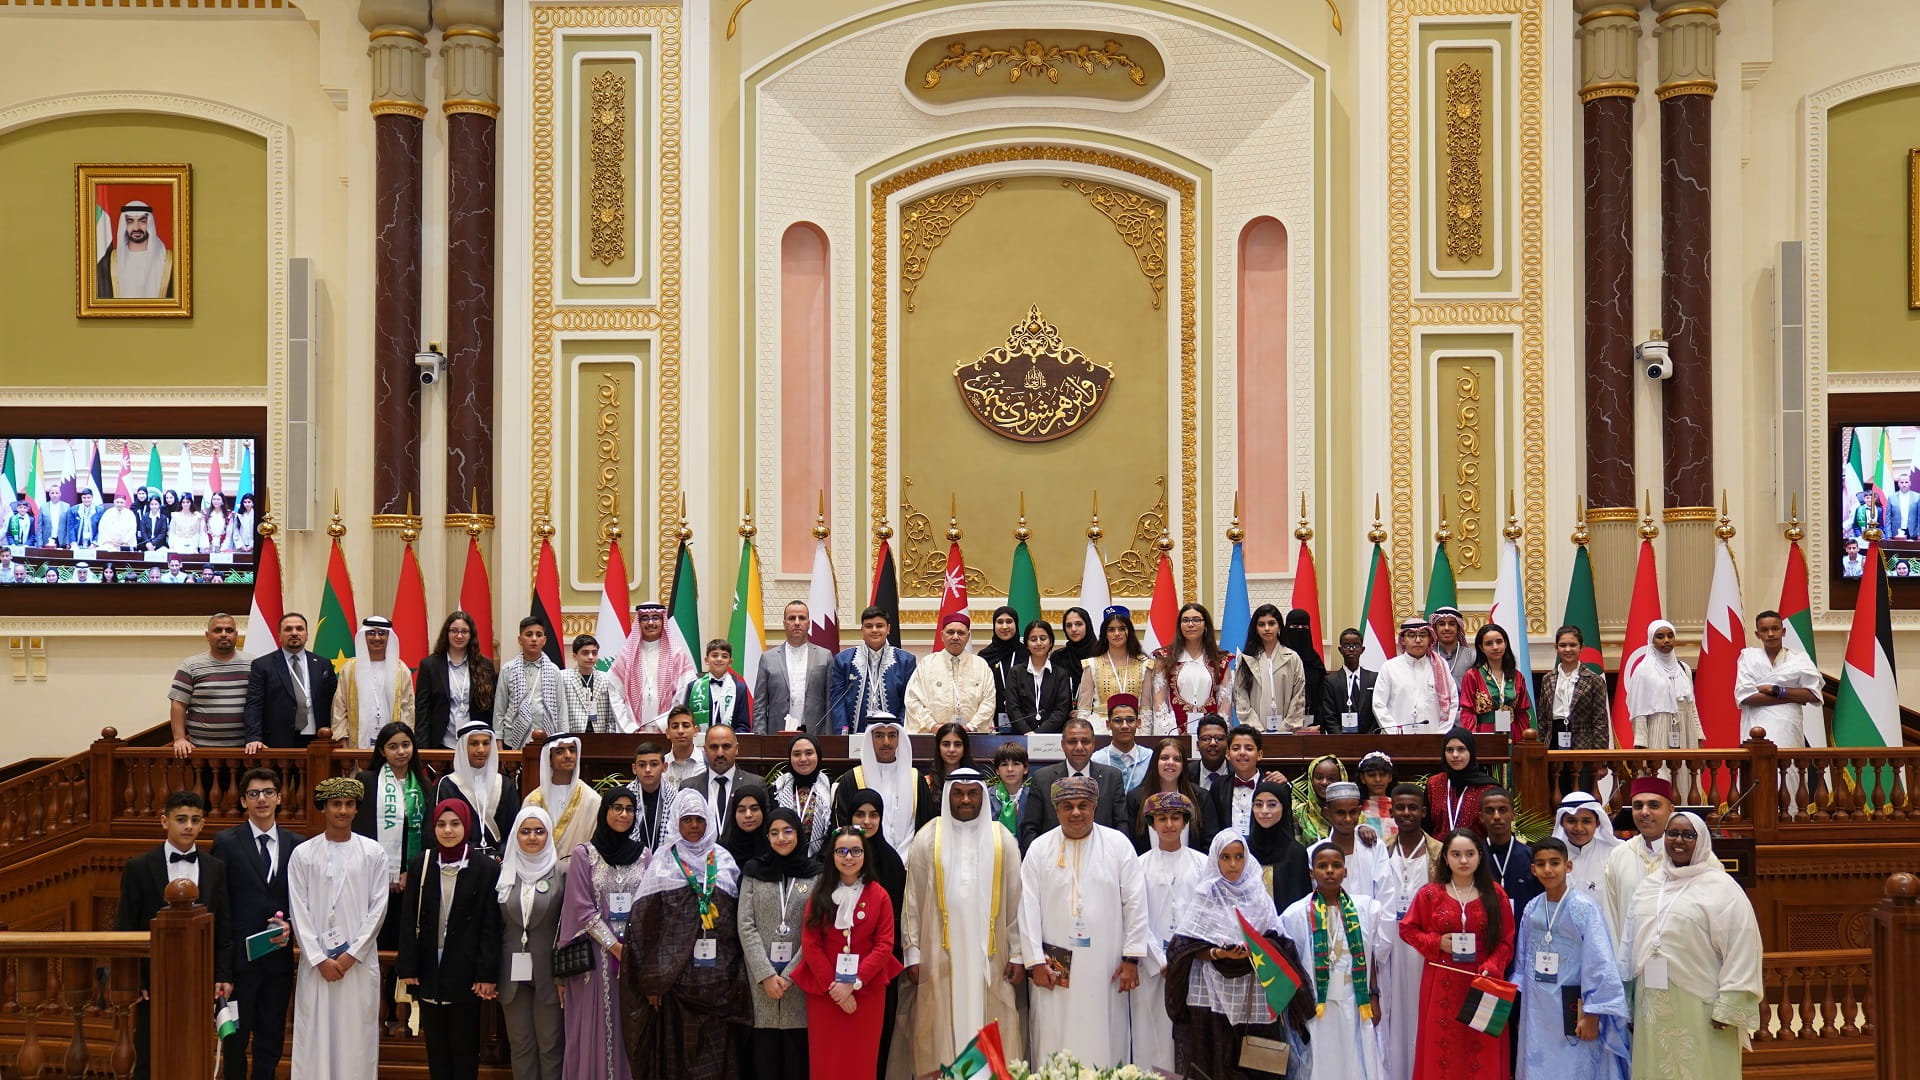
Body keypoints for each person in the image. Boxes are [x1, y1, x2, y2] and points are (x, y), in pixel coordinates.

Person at [1017, 775, 1150, 1067]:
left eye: (1083, 806)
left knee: (1105, 1036)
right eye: (1067, 806)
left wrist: (1131, 959)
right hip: (1054, 969)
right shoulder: (1039, 849)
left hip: (1107, 965)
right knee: (1053, 1034)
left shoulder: (1118, 845)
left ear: (1094, 807)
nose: (1076, 812)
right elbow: (1026, 908)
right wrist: (1035, 963)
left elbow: (1136, 904)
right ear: (1056, 810)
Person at [902, 766, 1026, 1075]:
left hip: (991, 956)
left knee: (992, 1018)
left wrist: (1019, 953)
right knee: (940, 1027)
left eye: (972, 794)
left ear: (983, 796)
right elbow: (912, 900)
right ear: (948, 796)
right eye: (958, 794)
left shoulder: (1002, 839)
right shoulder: (928, 836)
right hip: (941, 953)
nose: (966, 800)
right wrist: (912, 952)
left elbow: (1016, 901)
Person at [1623, 812, 1763, 1079]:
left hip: (1701, 1005)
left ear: (1702, 842)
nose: (1679, 840)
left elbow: (1743, 946)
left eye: (1689, 835)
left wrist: (1731, 1004)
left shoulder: (1722, 887)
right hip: (1650, 1001)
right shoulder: (1649, 886)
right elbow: (1630, 941)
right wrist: (1627, 997)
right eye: (1673, 833)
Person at [626, 789, 750, 1080]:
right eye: (687, 820)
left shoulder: (725, 861)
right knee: (676, 1060)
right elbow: (646, 929)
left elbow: (737, 923)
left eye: (699, 819)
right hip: (676, 984)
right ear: (675, 823)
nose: (694, 825)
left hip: (719, 983)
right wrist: (653, 981)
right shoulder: (662, 863)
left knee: (720, 1062)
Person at [1165, 830, 1308, 1080]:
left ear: (1247, 858)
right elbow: (1182, 946)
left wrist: (1257, 949)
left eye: (1239, 857)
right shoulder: (1205, 896)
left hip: (1253, 996)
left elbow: (1280, 942)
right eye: (1226, 857)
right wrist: (1216, 953)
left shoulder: (1259, 897)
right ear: (1215, 860)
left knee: (1257, 1068)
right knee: (1210, 1063)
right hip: (1209, 995)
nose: (1233, 864)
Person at [118, 790, 232, 1080]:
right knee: (150, 1053)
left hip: (201, 976)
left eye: (195, 820)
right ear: (164, 821)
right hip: (154, 981)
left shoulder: (215, 868)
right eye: (181, 819)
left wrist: (223, 975)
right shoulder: (139, 867)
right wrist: (139, 980)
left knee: (194, 1052)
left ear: (203, 824)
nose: (188, 826)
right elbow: (126, 927)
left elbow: (224, 927)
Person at [287, 777, 390, 1080]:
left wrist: (350, 956)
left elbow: (378, 909)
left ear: (357, 809)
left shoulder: (373, 853)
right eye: (336, 804)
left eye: (348, 805)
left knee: (356, 1039)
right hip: (317, 965)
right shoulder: (303, 854)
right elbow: (298, 909)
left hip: (356, 965)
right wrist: (319, 958)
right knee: (315, 1039)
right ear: (324, 808)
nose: (342, 811)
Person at [396, 799, 501, 1080]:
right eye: (442, 824)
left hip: (466, 970)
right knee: (436, 1050)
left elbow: (491, 926)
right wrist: (408, 967)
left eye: (455, 823)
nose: (448, 830)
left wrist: (486, 972)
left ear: (466, 826)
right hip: (429, 967)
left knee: (464, 1049)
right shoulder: (422, 863)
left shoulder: (485, 868)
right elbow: (408, 918)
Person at [1399, 830, 1516, 1080]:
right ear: (1445, 858)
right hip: (1441, 983)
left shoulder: (1495, 894)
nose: (1463, 860)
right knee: (1441, 1049)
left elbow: (1507, 940)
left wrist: (1492, 966)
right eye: (1456, 854)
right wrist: (1436, 942)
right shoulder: (1430, 894)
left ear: (1479, 857)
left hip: (1483, 983)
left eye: (1470, 854)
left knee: (1482, 1050)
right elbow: (1407, 929)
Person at [793, 827, 905, 1079]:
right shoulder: (820, 894)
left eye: (855, 850)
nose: (848, 857)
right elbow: (811, 944)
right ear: (832, 855)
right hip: (825, 994)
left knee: (861, 1060)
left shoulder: (880, 896)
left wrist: (852, 983)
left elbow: (885, 944)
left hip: (866, 992)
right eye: (841, 851)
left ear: (865, 854)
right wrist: (834, 987)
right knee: (826, 1060)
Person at [1514, 838, 1630, 1080]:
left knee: (1575, 1067)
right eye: (1541, 864)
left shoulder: (1585, 908)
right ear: (1533, 869)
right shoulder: (1532, 908)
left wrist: (1592, 1014)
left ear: (1568, 866)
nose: (1548, 870)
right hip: (1538, 1009)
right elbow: (1522, 963)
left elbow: (1600, 963)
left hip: (1573, 1006)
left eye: (1554, 863)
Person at [212, 769, 300, 1080]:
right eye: (253, 794)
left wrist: (291, 924)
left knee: (271, 1037)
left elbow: (302, 900)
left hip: (277, 960)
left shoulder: (296, 844)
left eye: (267, 792)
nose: (261, 799)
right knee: (235, 1039)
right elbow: (218, 906)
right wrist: (221, 969)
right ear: (242, 801)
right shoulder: (226, 842)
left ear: (279, 797)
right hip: (238, 963)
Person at [1280, 841, 1391, 1080]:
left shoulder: (1366, 908)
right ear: (1312, 872)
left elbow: (1370, 954)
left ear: (1345, 871)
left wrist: (1373, 995)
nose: (1329, 870)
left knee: (1355, 1056)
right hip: (1316, 1001)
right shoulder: (1295, 914)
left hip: (1355, 997)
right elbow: (1291, 963)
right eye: (1322, 866)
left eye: (1336, 865)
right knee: (1321, 1057)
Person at [559, 793, 647, 1080]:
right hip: (595, 963)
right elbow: (581, 908)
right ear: (604, 812)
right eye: (617, 808)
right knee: (594, 1031)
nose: (624, 814)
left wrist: (630, 948)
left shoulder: (645, 855)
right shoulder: (584, 854)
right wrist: (614, 947)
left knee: (631, 1030)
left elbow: (650, 905)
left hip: (635, 960)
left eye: (629, 809)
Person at [738, 809, 819, 1080]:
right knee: (764, 1065)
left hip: (799, 984)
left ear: (798, 833)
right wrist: (766, 974)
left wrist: (789, 975)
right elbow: (746, 926)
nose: (781, 838)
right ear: (766, 836)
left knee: (798, 1065)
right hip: (762, 986)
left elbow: (816, 929)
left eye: (787, 831)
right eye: (774, 833)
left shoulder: (815, 874)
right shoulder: (753, 871)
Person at [1132, 791, 1210, 1073]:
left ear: (1185, 821)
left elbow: (1206, 913)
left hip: (1193, 964)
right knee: (1151, 1035)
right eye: (1162, 818)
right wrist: (1162, 960)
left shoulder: (1202, 864)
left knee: (1192, 1035)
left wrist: (1184, 957)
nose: (1169, 824)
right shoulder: (1138, 865)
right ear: (1152, 824)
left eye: (1175, 817)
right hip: (1153, 966)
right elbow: (1135, 916)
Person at [496, 807, 566, 1080]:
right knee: (520, 1046)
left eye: (539, 831)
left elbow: (569, 926)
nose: (533, 837)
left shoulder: (562, 873)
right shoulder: (502, 872)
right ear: (516, 835)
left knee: (550, 1046)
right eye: (526, 831)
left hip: (550, 973)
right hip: (511, 972)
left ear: (549, 835)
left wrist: (563, 975)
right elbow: (493, 926)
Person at [1020, 717, 1128, 849]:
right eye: (1072, 742)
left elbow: (1122, 826)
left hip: (1101, 860)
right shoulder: (1042, 778)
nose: (1079, 747)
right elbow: (1030, 829)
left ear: (1093, 744)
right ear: (1062, 744)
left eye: (1085, 742)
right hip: (1056, 860)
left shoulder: (1112, 777)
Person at [1600, 777, 1674, 949]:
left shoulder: (1689, 854)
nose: (1645, 812)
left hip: (1679, 964)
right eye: (1638, 806)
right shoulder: (1619, 855)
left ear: (1671, 810)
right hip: (1631, 963)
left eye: (1654, 805)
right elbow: (1611, 916)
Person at [831, 720, 924, 857]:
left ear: (899, 739)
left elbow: (923, 825)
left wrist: (904, 856)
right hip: (864, 861)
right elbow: (843, 825)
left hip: (910, 860)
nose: (886, 742)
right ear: (870, 739)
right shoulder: (853, 778)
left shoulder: (916, 779)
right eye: (879, 736)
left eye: (892, 736)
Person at [1736, 609, 1823, 748]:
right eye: (1764, 630)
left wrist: (1775, 690)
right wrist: (1793, 696)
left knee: (1789, 767)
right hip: (1756, 727)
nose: (1770, 634)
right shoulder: (1748, 657)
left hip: (1789, 726)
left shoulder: (1799, 658)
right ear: (1757, 634)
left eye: (1775, 629)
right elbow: (1745, 697)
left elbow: (1813, 695)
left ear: (1783, 631)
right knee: (1758, 767)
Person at [1538, 626, 1609, 794]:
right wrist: (1540, 751)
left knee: (1581, 793)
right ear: (1556, 648)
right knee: (1554, 793)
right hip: (1553, 742)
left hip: (1583, 746)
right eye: (1563, 645)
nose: (1568, 649)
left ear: (1581, 647)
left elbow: (1600, 722)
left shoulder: (1594, 680)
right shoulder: (1547, 679)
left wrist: (1601, 760)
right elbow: (1542, 721)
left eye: (1573, 645)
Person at [167, 613, 250, 755]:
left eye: (229, 630)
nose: (224, 634)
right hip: (202, 750)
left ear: (236, 635)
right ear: (207, 635)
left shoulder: (254, 663)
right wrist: (179, 739)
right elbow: (178, 704)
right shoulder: (191, 665)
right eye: (218, 630)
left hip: (246, 749)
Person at [435, 720, 521, 857]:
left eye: (486, 743)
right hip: (461, 862)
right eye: (474, 744)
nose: (481, 750)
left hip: (499, 863)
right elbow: (438, 831)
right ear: (464, 747)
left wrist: (501, 856)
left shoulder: (505, 785)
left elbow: (515, 829)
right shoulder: (447, 785)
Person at [608, 601, 699, 732]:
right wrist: (630, 728)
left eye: (655, 617)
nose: (650, 623)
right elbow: (614, 692)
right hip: (632, 731)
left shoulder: (676, 655)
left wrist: (664, 726)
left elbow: (683, 693)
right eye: (645, 618)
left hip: (667, 731)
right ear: (638, 623)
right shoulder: (626, 655)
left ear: (663, 621)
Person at [1148, 602, 1235, 736]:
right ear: (1179, 625)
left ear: (1205, 625)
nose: (1190, 624)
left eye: (1196, 620)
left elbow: (1225, 704)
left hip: (1210, 736)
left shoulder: (1220, 659)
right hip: (1175, 733)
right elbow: (1159, 703)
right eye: (1186, 620)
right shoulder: (1165, 657)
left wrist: (1217, 733)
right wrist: (1171, 734)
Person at [829, 606, 918, 734]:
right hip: (854, 734)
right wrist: (842, 732)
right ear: (862, 630)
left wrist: (900, 730)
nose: (874, 630)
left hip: (893, 734)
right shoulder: (843, 660)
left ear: (888, 629)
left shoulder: (905, 661)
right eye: (869, 626)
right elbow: (837, 701)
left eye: (879, 626)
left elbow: (909, 702)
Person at [904, 611, 997, 733]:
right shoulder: (927, 664)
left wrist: (970, 726)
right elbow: (912, 699)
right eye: (950, 632)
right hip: (933, 736)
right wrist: (932, 726)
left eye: (961, 633)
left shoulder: (981, 666)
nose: (955, 637)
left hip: (973, 737)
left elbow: (989, 701)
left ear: (968, 637)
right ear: (942, 635)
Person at [332, 616, 415, 748]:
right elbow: (340, 706)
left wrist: (405, 739)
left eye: (382, 633)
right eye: (371, 633)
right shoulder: (350, 668)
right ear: (364, 637)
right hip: (357, 741)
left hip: (393, 741)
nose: (377, 638)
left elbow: (407, 708)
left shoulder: (400, 669)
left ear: (389, 637)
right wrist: (342, 737)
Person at [417, 610, 496, 749]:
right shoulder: (429, 666)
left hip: (476, 744)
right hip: (441, 743)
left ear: (471, 635)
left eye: (464, 631)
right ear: (446, 633)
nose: (459, 635)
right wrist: (422, 749)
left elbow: (491, 710)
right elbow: (422, 710)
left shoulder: (485, 666)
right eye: (454, 631)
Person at [753, 600, 834, 734]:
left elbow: (830, 703)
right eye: (791, 618)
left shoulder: (825, 656)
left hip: (815, 734)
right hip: (777, 733)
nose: (797, 622)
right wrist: (759, 736)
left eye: (802, 618)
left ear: (808, 623)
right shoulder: (768, 658)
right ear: (784, 623)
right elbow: (760, 704)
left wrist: (829, 736)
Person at [1125, 736, 1213, 852]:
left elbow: (1209, 841)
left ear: (1183, 765)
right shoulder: (1135, 798)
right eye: (1164, 758)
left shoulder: (1201, 797)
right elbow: (1130, 842)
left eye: (1177, 759)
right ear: (1155, 762)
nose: (1170, 763)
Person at [526, 735, 602, 868]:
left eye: (572, 750)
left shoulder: (591, 800)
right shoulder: (533, 801)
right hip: (539, 872)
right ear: (549, 759)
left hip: (578, 871)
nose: (568, 755)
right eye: (560, 752)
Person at [1077, 604, 1154, 733]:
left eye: (1122, 628)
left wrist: (1144, 737)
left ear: (1129, 631)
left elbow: (1146, 708)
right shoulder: (1092, 665)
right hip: (1100, 728)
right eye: (1111, 629)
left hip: (1134, 728)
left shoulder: (1144, 664)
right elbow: (1084, 709)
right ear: (1105, 634)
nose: (1117, 633)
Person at [1374, 618, 1458, 734]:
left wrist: (1441, 733)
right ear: (1402, 640)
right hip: (1397, 739)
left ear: (1430, 640)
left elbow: (1452, 702)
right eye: (1412, 635)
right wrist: (1394, 732)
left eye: (1423, 635)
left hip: (1433, 737)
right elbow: (1378, 704)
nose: (1418, 640)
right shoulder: (1390, 667)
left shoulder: (1440, 666)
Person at [1625, 620, 1700, 750]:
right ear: (1651, 640)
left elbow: (1692, 707)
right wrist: (1642, 747)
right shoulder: (1643, 670)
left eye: (1670, 636)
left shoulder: (1684, 669)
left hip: (1687, 732)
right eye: (1660, 637)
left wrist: (1699, 738)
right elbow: (1639, 713)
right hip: (1658, 731)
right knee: (1660, 770)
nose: (1666, 640)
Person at [1203, 724, 1289, 838]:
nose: (1242, 753)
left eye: (1249, 748)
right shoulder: (1218, 786)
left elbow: (1286, 829)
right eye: (1236, 748)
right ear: (1228, 754)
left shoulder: (1274, 786)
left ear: (1259, 754)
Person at [1234, 602, 1309, 731]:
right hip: (1255, 732)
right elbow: (1241, 697)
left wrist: (1285, 729)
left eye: (1271, 623)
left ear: (1279, 626)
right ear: (1256, 629)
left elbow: (1298, 696)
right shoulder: (1246, 659)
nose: (1267, 628)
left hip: (1286, 732)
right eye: (1261, 624)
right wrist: (1256, 729)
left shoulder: (1292, 658)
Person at [496, 617, 565, 748]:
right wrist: (498, 740)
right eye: (528, 634)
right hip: (512, 738)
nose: (534, 639)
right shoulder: (508, 669)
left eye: (538, 635)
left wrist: (563, 739)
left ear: (544, 640)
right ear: (520, 640)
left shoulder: (554, 670)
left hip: (546, 737)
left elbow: (561, 710)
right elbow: (499, 709)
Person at [683, 722, 767, 827]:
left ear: (736, 749)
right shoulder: (689, 788)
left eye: (726, 746)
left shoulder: (755, 784)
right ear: (705, 750)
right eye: (714, 747)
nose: (720, 753)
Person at [1480, 787, 1542, 928]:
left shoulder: (1531, 856)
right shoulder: (1475, 856)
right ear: (1481, 817)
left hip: (1525, 931)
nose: (1496, 816)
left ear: (1514, 815)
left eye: (1502, 810)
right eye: (1489, 811)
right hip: (1485, 933)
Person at [1248, 779, 1313, 913]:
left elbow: (1301, 904)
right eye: (1258, 804)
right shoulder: (1244, 850)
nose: (1264, 811)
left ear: (1284, 807)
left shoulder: (1296, 853)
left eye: (1272, 804)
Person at [1459, 623, 1532, 736]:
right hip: (1484, 735)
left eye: (1499, 642)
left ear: (1505, 643)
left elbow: (1522, 713)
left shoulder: (1517, 676)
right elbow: (1467, 712)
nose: (1495, 647)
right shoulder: (1472, 676)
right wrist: (1472, 740)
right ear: (1481, 648)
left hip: (1513, 734)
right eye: (1489, 643)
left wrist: (1524, 743)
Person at [1427, 726, 1500, 838]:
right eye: (1450, 750)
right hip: (1438, 853)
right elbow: (1427, 827)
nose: (1455, 755)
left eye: (1461, 749)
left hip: (1475, 853)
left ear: (1471, 751)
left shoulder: (1488, 788)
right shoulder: (1434, 784)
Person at [1006, 618, 1074, 734]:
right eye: (1033, 639)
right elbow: (1013, 708)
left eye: (1043, 638)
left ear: (1051, 642)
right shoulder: (1015, 673)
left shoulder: (1061, 674)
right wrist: (1027, 732)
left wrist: (1039, 734)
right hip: (1021, 736)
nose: (1038, 643)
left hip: (1051, 738)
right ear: (1026, 644)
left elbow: (1060, 710)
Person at [771, 734, 835, 858]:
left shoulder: (831, 789)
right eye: (796, 754)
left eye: (809, 753)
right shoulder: (777, 790)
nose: (803, 759)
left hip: (821, 863)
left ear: (818, 755)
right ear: (790, 758)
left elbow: (834, 831)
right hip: (783, 860)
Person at [97, 199, 174, 297]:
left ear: (149, 223)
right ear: (125, 225)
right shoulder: (110, 262)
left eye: (142, 221)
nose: (136, 227)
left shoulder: (167, 260)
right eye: (130, 221)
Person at [1551, 792, 1621, 900]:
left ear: (1597, 823)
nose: (1578, 828)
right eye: (1571, 821)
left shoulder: (1614, 854)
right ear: (1561, 823)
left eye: (1586, 821)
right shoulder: (1551, 856)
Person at [683, 638, 753, 731]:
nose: (719, 659)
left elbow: (743, 725)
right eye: (715, 655)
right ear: (706, 660)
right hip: (699, 742)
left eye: (724, 656)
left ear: (730, 662)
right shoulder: (694, 687)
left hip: (728, 743)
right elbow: (685, 721)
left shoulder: (739, 688)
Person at [916, 722, 977, 827]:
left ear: (964, 749)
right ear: (938, 748)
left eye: (957, 744)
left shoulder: (976, 782)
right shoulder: (927, 783)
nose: (951, 750)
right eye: (946, 744)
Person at [1090, 694, 1154, 790]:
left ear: (1138, 723)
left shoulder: (1150, 758)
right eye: (1118, 720)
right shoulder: (1097, 760)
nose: (1124, 726)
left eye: (1130, 720)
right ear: (1108, 725)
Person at [626, 737, 678, 855]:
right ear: (634, 768)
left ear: (664, 767)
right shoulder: (625, 797)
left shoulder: (675, 798)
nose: (648, 770)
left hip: (666, 864)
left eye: (654, 764)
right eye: (642, 765)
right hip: (631, 862)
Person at [977, 605, 1024, 731]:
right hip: (991, 718)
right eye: (1000, 622)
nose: (1004, 626)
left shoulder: (1026, 653)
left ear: (1016, 624)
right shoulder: (984, 656)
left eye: (1009, 621)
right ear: (994, 625)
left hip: (1024, 718)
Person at [559, 634, 615, 734]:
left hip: (600, 735)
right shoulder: (563, 677)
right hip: (573, 735)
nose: (590, 657)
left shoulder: (606, 678)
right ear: (574, 656)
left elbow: (611, 715)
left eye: (594, 653)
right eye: (585, 653)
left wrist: (609, 737)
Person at [1282, 607, 1330, 717]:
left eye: (1304, 627)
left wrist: (1319, 724)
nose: (1300, 630)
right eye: (1294, 626)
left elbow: (1323, 698)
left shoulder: (1315, 663)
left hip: (1311, 725)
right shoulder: (1278, 660)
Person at [1293, 752, 1350, 844]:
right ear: (1311, 779)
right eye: (1319, 777)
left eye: (1331, 779)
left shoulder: (1353, 814)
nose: (1324, 782)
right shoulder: (1299, 814)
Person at [1054, 605, 1098, 706]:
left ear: (1088, 625)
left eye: (1078, 624)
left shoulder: (1101, 655)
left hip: (1096, 715)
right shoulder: (1058, 657)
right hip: (1064, 715)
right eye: (1069, 625)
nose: (1073, 629)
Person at [720, 783, 774, 867]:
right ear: (734, 814)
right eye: (742, 810)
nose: (748, 815)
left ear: (763, 811)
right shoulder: (721, 851)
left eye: (754, 809)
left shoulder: (775, 846)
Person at [989, 741, 1033, 834]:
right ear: (997, 770)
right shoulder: (986, 796)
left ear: (1025, 769)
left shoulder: (1033, 797)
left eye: (1016, 764)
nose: (1010, 769)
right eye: (1004, 764)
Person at [662, 705, 707, 786]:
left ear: (695, 731)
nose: (680, 731)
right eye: (675, 726)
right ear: (667, 733)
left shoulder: (707, 763)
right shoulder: (660, 764)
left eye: (686, 726)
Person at [1431, 606, 1479, 682]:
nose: (1446, 628)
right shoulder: (1429, 655)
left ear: (1458, 628)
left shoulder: (1472, 656)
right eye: (1441, 624)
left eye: (1451, 624)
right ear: (1435, 628)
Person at [1187, 713, 1234, 791]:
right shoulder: (1185, 774)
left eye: (1219, 738)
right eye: (1206, 739)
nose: (1213, 743)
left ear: (1227, 744)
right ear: (1197, 745)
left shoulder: (1238, 772)